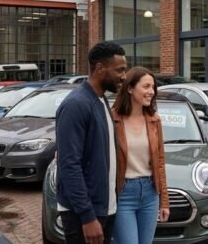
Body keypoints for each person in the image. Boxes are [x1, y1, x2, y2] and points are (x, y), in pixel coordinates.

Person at [56, 41, 127, 244]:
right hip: (84, 215)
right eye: (119, 70)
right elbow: (69, 165)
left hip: (104, 208)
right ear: (99, 68)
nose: (124, 76)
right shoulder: (76, 104)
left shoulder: (101, 100)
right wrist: (87, 216)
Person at [111, 67, 169, 244]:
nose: (151, 92)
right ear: (130, 88)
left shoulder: (154, 120)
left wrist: (164, 201)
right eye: (146, 87)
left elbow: (160, 162)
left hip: (150, 194)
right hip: (123, 193)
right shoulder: (112, 118)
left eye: (153, 87)